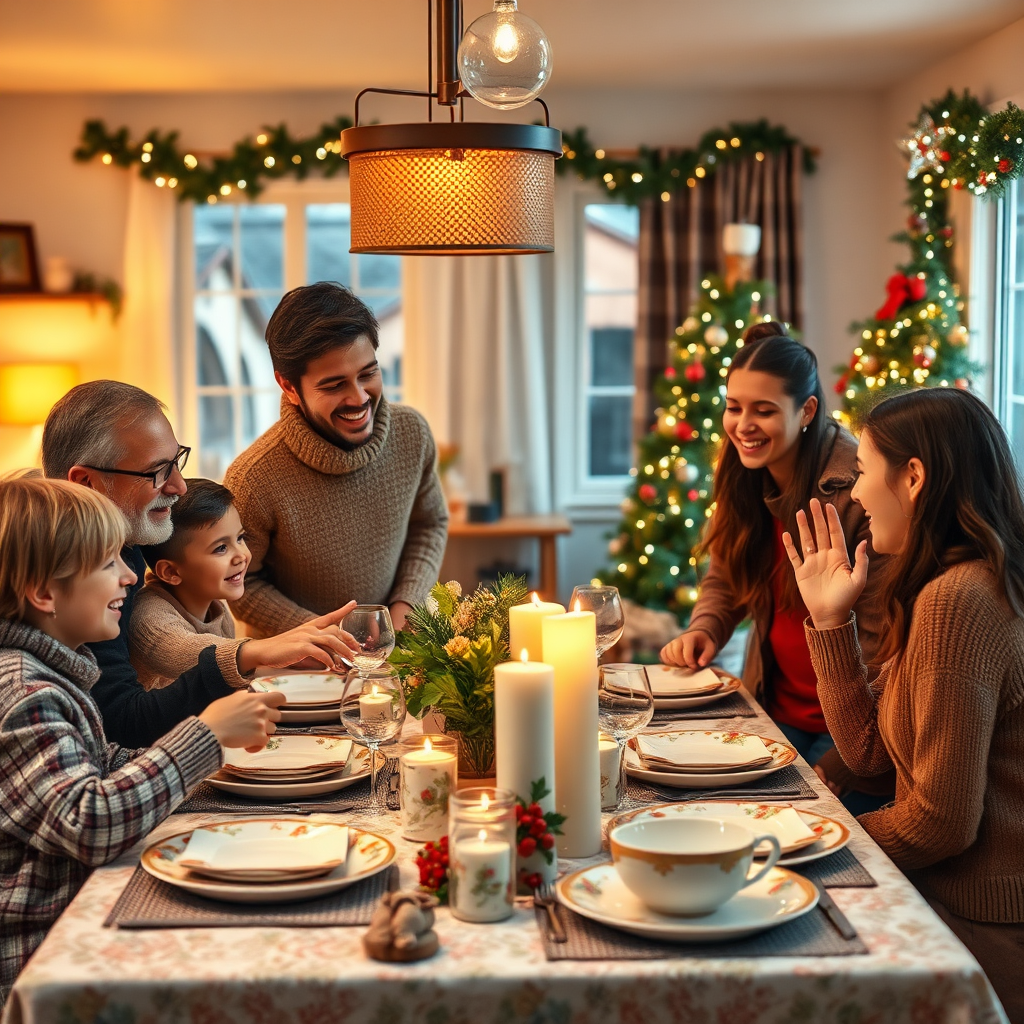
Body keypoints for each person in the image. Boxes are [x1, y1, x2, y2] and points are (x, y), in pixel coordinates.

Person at [784, 387, 1024, 1022]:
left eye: (863, 471)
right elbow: (870, 758)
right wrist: (830, 622)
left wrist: (814, 843)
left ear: (913, 477)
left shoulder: (960, 602)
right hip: (948, 899)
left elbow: (941, 822)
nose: (856, 492)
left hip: (979, 929)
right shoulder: (947, 584)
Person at [0, 477, 285, 1004]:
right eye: (109, 563)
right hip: (45, 958)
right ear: (44, 593)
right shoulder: (24, 693)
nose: (132, 576)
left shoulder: (54, 674)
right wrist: (204, 737)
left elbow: (102, 763)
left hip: (78, 920)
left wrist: (209, 768)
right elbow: (90, 822)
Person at [42, 380, 354, 747]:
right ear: (87, 483)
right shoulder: (70, 583)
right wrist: (254, 655)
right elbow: (120, 721)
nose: (179, 486)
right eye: (158, 471)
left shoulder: (127, 549)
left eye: (177, 462)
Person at [659, 322, 888, 796]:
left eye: (763, 411)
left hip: (849, 729)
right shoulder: (746, 471)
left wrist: (854, 759)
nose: (742, 425)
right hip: (772, 708)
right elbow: (726, 572)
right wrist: (705, 628)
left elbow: (886, 637)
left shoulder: (855, 488)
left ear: (806, 410)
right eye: (733, 407)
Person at [224, 282, 448, 636]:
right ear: (288, 386)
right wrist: (318, 632)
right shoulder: (252, 478)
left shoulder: (413, 434)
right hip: (298, 666)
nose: (359, 398)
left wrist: (404, 608)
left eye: (368, 373)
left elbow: (429, 523)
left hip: (396, 645)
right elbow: (242, 583)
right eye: (334, 385)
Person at [130, 478, 358, 689]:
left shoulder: (215, 607)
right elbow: (188, 654)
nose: (241, 555)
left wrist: (294, 657)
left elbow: (225, 672)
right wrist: (268, 648)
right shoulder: (148, 615)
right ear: (170, 571)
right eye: (221, 548)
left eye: (240, 538)